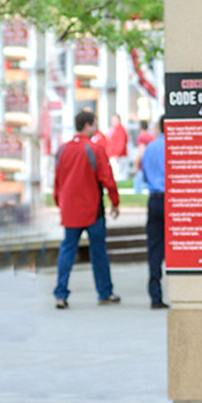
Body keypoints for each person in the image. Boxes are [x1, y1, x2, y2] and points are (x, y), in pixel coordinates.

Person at [53, 111, 121, 309]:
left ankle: (60, 294)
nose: (96, 129)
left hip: (70, 212)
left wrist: (60, 204)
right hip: (92, 211)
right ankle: (104, 292)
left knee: (67, 250)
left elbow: (57, 181)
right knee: (98, 252)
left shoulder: (62, 150)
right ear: (87, 126)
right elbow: (107, 179)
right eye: (94, 125)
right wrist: (115, 202)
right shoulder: (94, 149)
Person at [141, 115, 168, 309]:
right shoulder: (175, 147)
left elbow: (144, 174)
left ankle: (155, 295)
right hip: (173, 200)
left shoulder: (150, 148)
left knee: (155, 249)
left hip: (154, 200)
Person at [107, 114, 129, 180]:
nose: (113, 122)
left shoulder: (120, 130)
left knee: (118, 175)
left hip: (118, 156)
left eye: (114, 120)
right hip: (114, 155)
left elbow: (121, 143)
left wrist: (117, 154)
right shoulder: (114, 130)